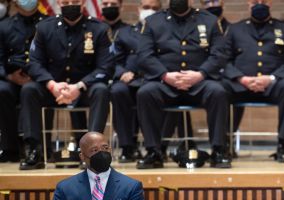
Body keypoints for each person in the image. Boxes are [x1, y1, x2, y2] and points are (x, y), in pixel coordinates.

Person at [135, 0, 231, 169]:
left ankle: (218, 150)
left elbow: (219, 54)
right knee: (145, 92)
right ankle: (153, 151)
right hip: (165, 82)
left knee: (218, 92)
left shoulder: (209, 20)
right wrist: (165, 75)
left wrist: (200, 74)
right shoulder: (153, 21)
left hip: (200, 81)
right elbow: (144, 55)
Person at [19, 0, 113, 170]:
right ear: (59, 3)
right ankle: (35, 150)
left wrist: (79, 86)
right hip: (54, 88)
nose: (70, 4)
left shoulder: (98, 28)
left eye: (75, 1)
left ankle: (92, 152)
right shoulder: (44, 28)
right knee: (29, 89)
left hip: (84, 88)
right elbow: (34, 63)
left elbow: (106, 67)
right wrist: (51, 85)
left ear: (83, 2)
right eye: (65, 1)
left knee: (101, 90)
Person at [222, 0, 284, 163]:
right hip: (241, 85)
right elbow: (223, 61)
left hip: (273, 85)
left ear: (270, 3)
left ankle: (283, 145)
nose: (259, 4)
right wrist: (241, 78)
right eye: (254, 1)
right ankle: (223, 146)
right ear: (248, 3)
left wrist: (271, 78)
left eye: (263, 1)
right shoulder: (235, 29)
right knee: (219, 89)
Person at [107, 0, 161, 163]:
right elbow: (113, 61)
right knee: (117, 91)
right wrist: (122, 72)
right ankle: (127, 146)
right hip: (129, 80)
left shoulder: (165, 32)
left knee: (149, 92)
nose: (149, 11)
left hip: (154, 79)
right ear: (139, 9)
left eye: (154, 8)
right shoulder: (124, 33)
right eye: (146, 7)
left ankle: (157, 148)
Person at [51, 132, 147, 200]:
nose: (102, 153)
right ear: (82, 157)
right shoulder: (65, 188)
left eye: (105, 148)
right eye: (95, 150)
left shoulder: (131, 187)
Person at [0, 0, 47, 162]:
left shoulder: (49, 24)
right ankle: (9, 148)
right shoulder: (4, 26)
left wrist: (40, 75)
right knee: (2, 90)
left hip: (40, 78)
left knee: (32, 90)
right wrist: (9, 76)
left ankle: (38, 147)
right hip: (11, 77)